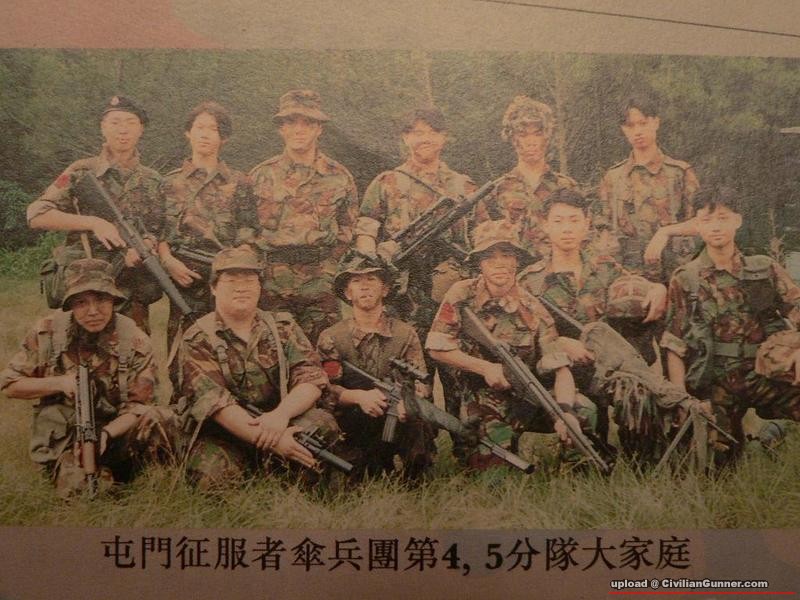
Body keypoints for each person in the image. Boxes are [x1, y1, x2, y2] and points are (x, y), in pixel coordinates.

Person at [518, 189, 692, 459]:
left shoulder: (605, 267)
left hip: (605, 368)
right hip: (560, 373)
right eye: (559, 221)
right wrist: (559, 343)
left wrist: (657, 289)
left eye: (574, 220)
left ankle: (643, 461)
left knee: (637, 395)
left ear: (586, 224)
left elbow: (636, 291)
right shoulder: (530, 282)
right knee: (585, 432)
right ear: (545, 225)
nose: (567, 229)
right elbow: (522, 339)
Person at [426, 220, 597, 470]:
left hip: (528, 395)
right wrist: (485, 368)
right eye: (489, 257)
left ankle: (575, 472)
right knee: (493, 476)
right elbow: (436, 348)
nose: (499, 263)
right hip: (482, 397)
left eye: (506, 255)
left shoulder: (534, 308)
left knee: (583, 410)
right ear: (479, 263)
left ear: (517, 260)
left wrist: (565, 412)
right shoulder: (461, 293)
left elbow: (561, 370)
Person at [0, 258, 175, 497]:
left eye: (102, 300)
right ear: (70, 305)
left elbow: (141, 406)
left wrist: (105, 434)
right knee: (80, 493)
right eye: (81, 302)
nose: (93, 311)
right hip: (69, 438)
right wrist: (59, 383)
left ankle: (145, 477)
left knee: (162, 417)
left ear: (113, 300)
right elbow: (9, 384)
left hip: (117, 433)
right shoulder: (47, 333)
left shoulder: (135, 340)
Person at [173, 246, 340, 489]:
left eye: (249, 280)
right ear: (213, 288)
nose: (241, 288)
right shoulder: (197, 338)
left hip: (279, 420)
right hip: (225, 432)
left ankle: (287, 478)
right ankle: (258, 467)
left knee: (322, 423)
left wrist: (280, 416)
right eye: (231, 280)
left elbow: (311, 379)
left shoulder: (283, 327)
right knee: (211, 478)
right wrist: (272, 440)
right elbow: (217, 405)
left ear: (260, 287)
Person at [662, 185, 800, 462]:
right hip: (715, 384)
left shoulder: (764, 268)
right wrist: (682, 400)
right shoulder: (686, 278)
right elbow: (674, 345)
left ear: (738, 220)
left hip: (764, 375)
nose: (716, 227)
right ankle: (752, 438)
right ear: (698, 225)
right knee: (717, 464)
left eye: (723, 218)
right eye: (707, 219)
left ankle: (773, 429)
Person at [28, 95, 163, 332]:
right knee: (77, 350)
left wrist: (147, 244)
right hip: (84, 293)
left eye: (130, 122)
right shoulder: (81, 171)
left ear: (141, 129)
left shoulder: (153, 180)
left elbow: (159, 229)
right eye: (115, 122)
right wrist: (93, 222)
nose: (123, 130)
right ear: (103, 127)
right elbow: (37, 214)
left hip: (131, 293)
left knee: (134, 350)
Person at [248, 90, 358, 344]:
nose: (299, 130)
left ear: (319, 128)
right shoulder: (260, 176)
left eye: (307, 123)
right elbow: (245, 229)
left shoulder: (339, 176)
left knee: (326, 353)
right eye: (291, 122)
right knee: (271, 353)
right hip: (271, 282)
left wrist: (330, 269)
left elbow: (348, 228)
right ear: (281, 128)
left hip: (319, 281)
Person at [356, 106, 476, 332]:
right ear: (406, 137)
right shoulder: (387, 182)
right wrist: (374, 266)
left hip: (452, 288)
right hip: (401, 290)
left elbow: (480, 235)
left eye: (433, 132)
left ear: (444, 137)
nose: (425, 139)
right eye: (418, 133)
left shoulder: (464, 186)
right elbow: (365, 231)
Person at [316, 252, 436, 480]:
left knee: (419, 422)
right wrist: (358, 397)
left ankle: (413, 477)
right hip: (352, 419)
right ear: (347, 292)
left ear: (385, 289)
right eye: (356, 281)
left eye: (371, 279)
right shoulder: (331, 337)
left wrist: (407, 402)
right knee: (352, 476)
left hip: (396, 414)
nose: (364, 286)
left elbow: (421, 382)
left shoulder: (405, 333)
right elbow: (324, 389)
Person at [158, 101, 258, 347]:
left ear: (223, 137)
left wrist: (231, 273)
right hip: (183, 279)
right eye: (199, 127)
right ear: (188, 133)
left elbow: (248, 233)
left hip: (226, 280)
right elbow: (158, 232)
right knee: (182, 346)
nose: (205, 135)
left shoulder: (239, 182)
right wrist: (169, 262)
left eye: (213, 129)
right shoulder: (169, 183)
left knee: (230, 345)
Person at [594, 92, 700, 283]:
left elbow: (701, 223)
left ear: (656, 122)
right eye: (630, 126)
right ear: (623, 129)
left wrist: (665, 233)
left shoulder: (680, 173)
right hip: (628, 280)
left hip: (674, 276)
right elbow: (603, 229)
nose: (637, 131)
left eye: (643, 123)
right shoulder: (613, 178)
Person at [475, 95, 579, 261]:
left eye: (537, 134)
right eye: (523, 135)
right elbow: (486, 246)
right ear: (513, 138)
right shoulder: (497, 191)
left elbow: (583, 235)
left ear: (547, 137)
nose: (531, 142)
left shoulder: (566, 186)